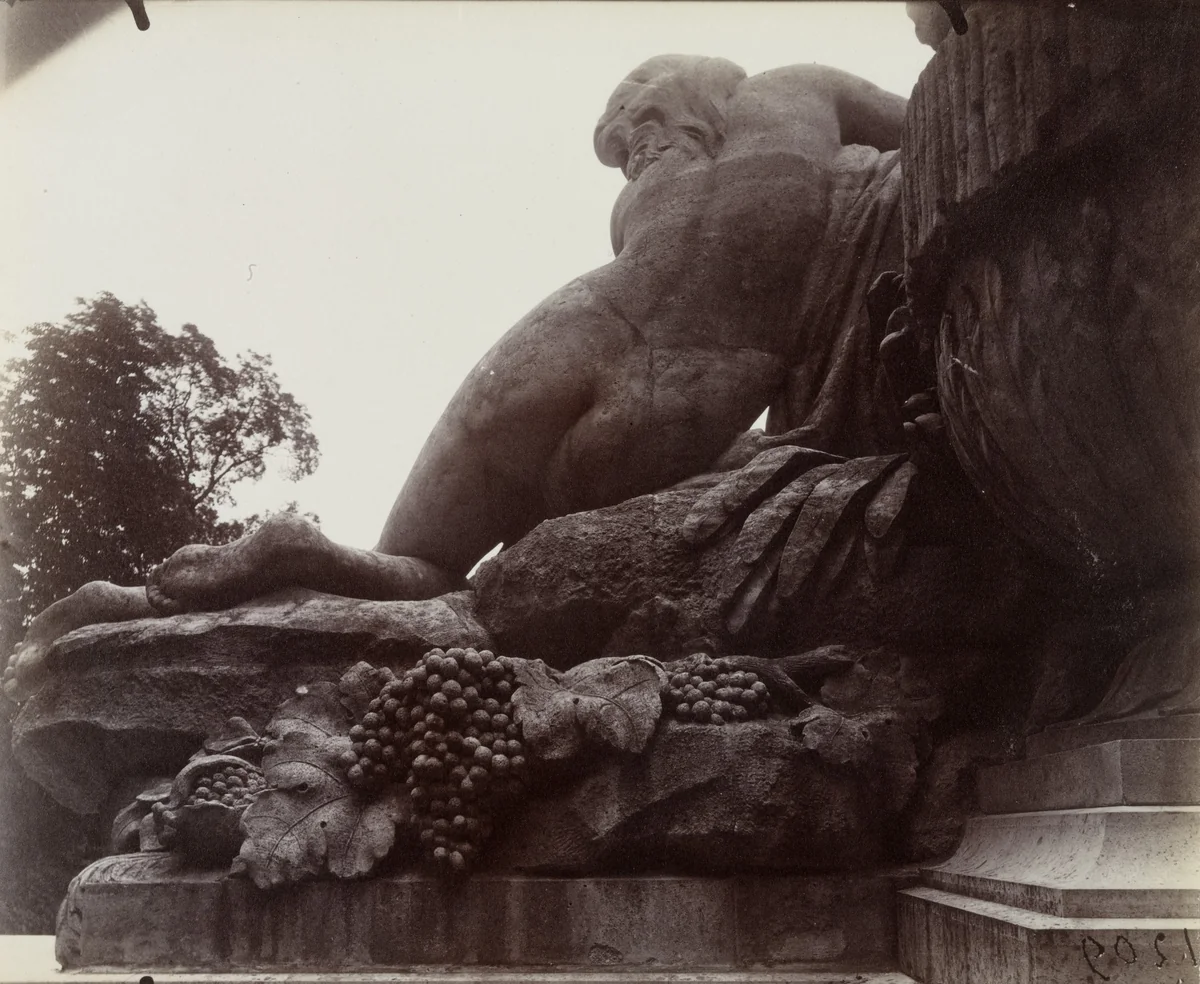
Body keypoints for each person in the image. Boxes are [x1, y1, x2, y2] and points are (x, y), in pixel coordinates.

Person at [4, 55, 908, 701]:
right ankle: (287, 560)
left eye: (629, 125)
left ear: (673, 99)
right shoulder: (805, 96)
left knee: (423, 565)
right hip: (673, 403)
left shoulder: (646, 199)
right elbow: (932, 120)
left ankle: (233, 573)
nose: (627, 149)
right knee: (454, 585)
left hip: (556, 345)